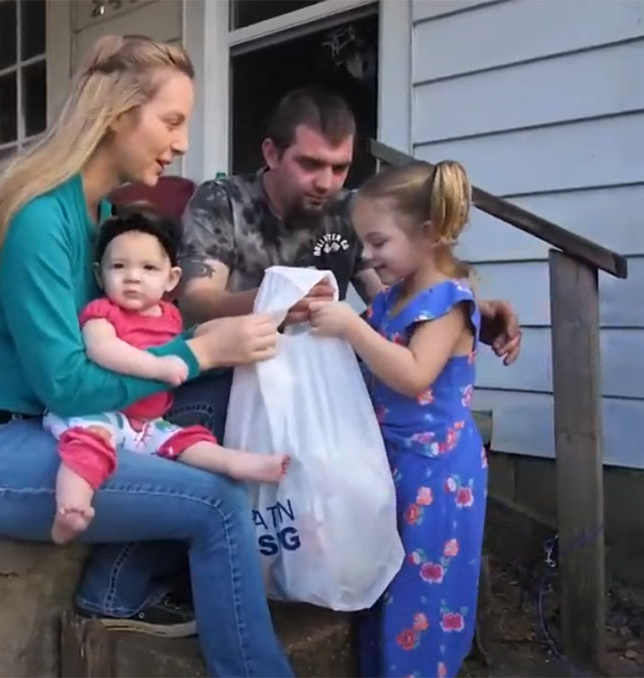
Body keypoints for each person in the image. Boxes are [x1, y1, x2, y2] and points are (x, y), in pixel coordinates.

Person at [0, 34, 294, 677]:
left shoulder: (102, 214)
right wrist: (197, 351)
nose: (183, 141)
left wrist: (228, 346)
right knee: (216, 503)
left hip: (53, 425)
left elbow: (123, 349)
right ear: (117, 115)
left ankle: (116, 587)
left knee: (220, 398)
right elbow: (66, 383)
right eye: (171, 121)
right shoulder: (36, 213)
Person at [173, 86, 522, 441]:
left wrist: (466, 312)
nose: (326, 183)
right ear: (272, 154)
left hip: (322, 375)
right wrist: (277, 302)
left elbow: (390, 299)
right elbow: (198, 301)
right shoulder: (222, 201)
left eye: (340, 168)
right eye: (310, 164)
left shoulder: (351, 211)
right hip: (235, 370)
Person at [308, 159, 487, 678]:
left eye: (378, 242)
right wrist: (325, 311)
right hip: (394, 461)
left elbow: (413, 375)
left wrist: (350, 329)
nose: (366, 255)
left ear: (428, 234)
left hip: (438, 470)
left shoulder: (449, 304)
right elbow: (362, 349)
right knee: (383, 579)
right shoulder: (392, 298)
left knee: (422, 592)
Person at [45, 210, 290, 544]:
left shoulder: (170, 316)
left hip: (148, 422)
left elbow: (188, 341)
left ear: (171, 279)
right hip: (96, 413)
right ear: (99, 276)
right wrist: (157, 367)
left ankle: (239, 464)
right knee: (88, 449)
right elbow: (102, 350)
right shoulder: (102, 313)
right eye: (119, 267)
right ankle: (71, 509)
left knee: (188, 440)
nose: (132, 277)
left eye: (148, 268)